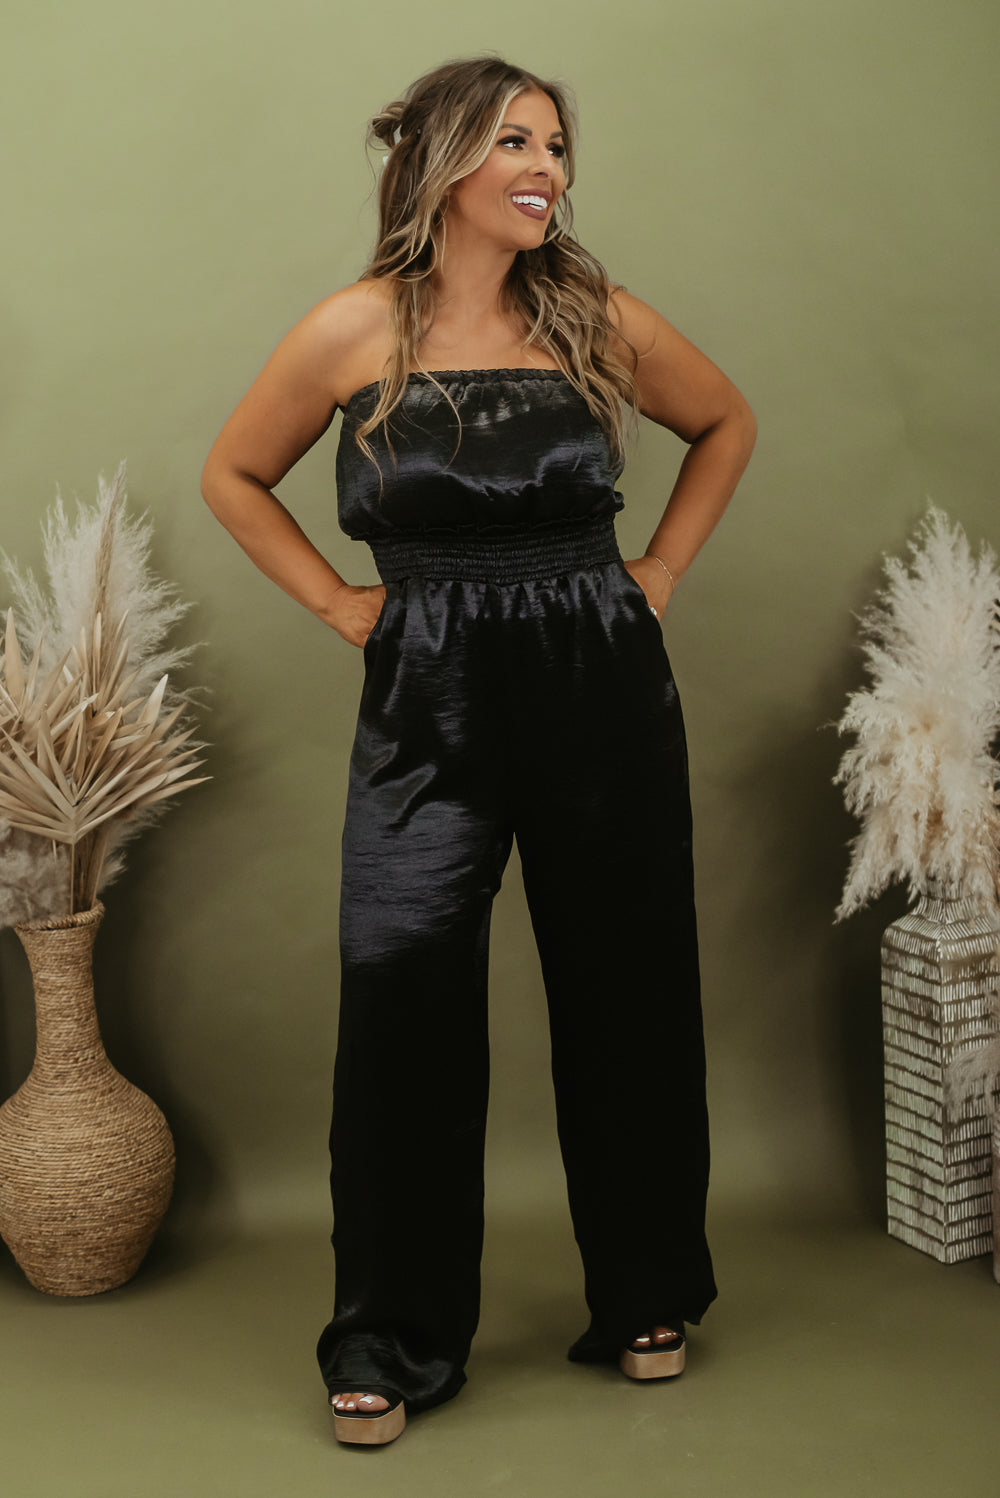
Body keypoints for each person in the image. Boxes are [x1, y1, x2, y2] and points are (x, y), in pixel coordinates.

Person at [202, 55, 756, 1447]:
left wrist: (657, 572)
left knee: (628, 988)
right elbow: (232, 473)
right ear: (443, 161)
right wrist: (340, 601)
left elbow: (724, 421)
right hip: (429, 695)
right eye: (516, 141)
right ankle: (388, 1337)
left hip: (600, 679)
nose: (547, 168)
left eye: (557, 146)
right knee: (404, 1011)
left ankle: (646, 1295)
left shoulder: (593, 317)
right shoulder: (351, 329)